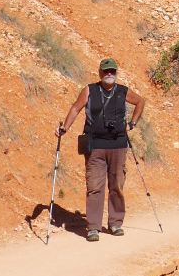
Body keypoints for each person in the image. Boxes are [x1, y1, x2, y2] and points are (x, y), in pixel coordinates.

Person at [56, 58, 145, 241]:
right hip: (95, 145)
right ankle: (93, 227)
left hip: (118, 145)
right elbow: (75, 108)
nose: (109, 74)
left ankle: (115, 223)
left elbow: (141, 102)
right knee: (95, 186)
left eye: (112, 71)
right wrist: (65, 128)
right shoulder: (90, 90)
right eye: (106, 71)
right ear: (99, 72)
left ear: (116, 72)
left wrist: (132, 123)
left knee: (117, 185)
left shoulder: (122, 91)